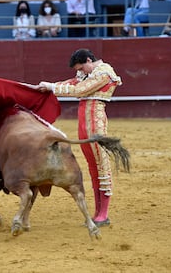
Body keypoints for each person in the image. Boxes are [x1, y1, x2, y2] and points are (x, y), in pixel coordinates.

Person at [37, 49, 123, 227]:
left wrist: (53, 87)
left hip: (96, 124)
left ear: (89, 60)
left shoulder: (105, 73)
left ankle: (104, 214)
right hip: (84, 123)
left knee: (101, 165)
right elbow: (73, 82)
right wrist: (49, 85)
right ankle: (98, 212)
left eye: (82, 68)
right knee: (93, 167)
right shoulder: (88, 73)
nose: (81, 72)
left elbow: (80, 90)